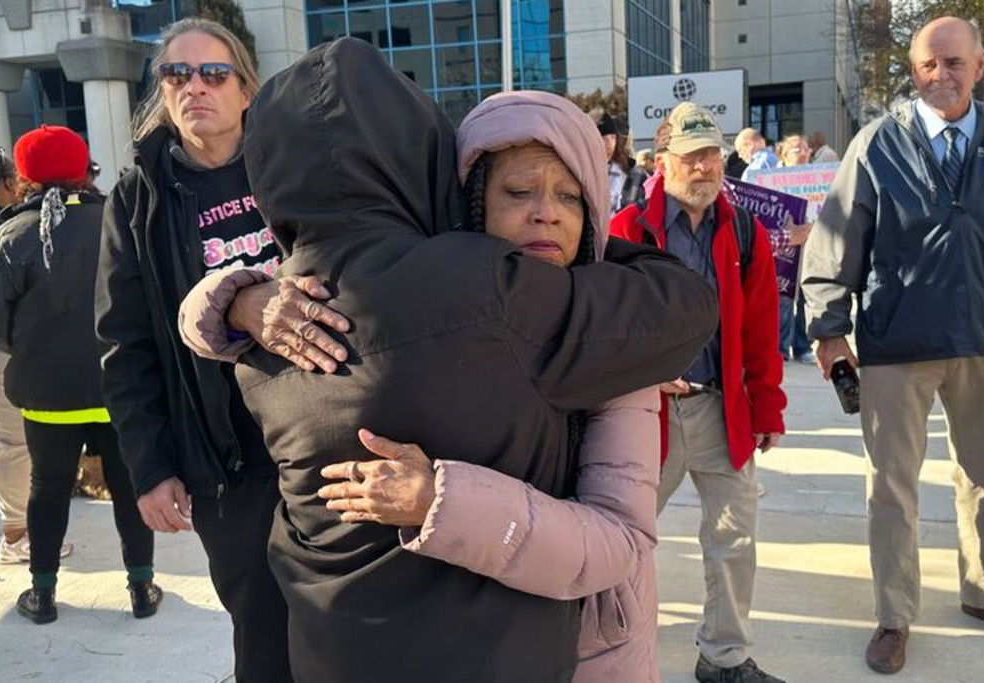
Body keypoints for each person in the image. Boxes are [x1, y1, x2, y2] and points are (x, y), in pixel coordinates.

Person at [178, 37, 718, 683]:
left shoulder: (268, 333)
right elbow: (685, 302)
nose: (546, 212)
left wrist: (229, 297)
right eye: (518, 190)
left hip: (332, 648)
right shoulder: (494, 289)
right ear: (440, 174)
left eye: (574, 197)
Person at [95, 18, 304, 682]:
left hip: (321, 435)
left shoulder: (295, 168)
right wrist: (150, 467)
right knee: (263, 632)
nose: (195, 87)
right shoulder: (138, 198)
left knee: (346, 621)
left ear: (247, 90)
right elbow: (125, 344)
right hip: (225, 461)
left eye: (214, 73)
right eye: (176, 74)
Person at [801, 16, 984, 675]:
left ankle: (982, 587)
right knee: (892, 488)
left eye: (953, 63)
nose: (940, 75)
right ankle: (894, 615)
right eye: (928, 65)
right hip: (894, 346)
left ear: (979, 66)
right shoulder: (877, 144)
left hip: (982, 341)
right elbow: (833, 242)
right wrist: (828, 328)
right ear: (914, 71)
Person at [611, 103, 787, 683]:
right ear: (663, 162)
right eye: (691, 156)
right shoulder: (625, 229)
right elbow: (607, 327)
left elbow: (761, 329)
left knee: (734, 539)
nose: (706, 166)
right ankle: (607, 646)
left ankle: (725, 658)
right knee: (622, 540)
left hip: (720, 408)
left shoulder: (744, 230)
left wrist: (767, 408)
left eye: (713, 153)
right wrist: (641, 371)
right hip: (645, 413)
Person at [0, 125, 158, 624]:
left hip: (47, 396)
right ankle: (141, 588)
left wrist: (32, 346)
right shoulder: (120, 222)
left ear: (23, 177)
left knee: (47, 489)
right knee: (130, 487)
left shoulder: (10, 234)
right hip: (120, 388)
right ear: (83, 169)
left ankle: (44, 595)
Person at [0, 142, 62, 565]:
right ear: (5, 184)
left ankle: (21, 524)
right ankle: (16, 534)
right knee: (15, 438)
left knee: (17, 436)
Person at [775, 134, 815, 364]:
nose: (802, 152)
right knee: (783, 298)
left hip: (811, 244)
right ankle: (780, 348)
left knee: (807, 298)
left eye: (806, 148)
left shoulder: (817, 177)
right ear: (784, 153)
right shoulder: (772, 178)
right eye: (796, 149)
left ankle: (803, 345)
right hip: (783, 246)